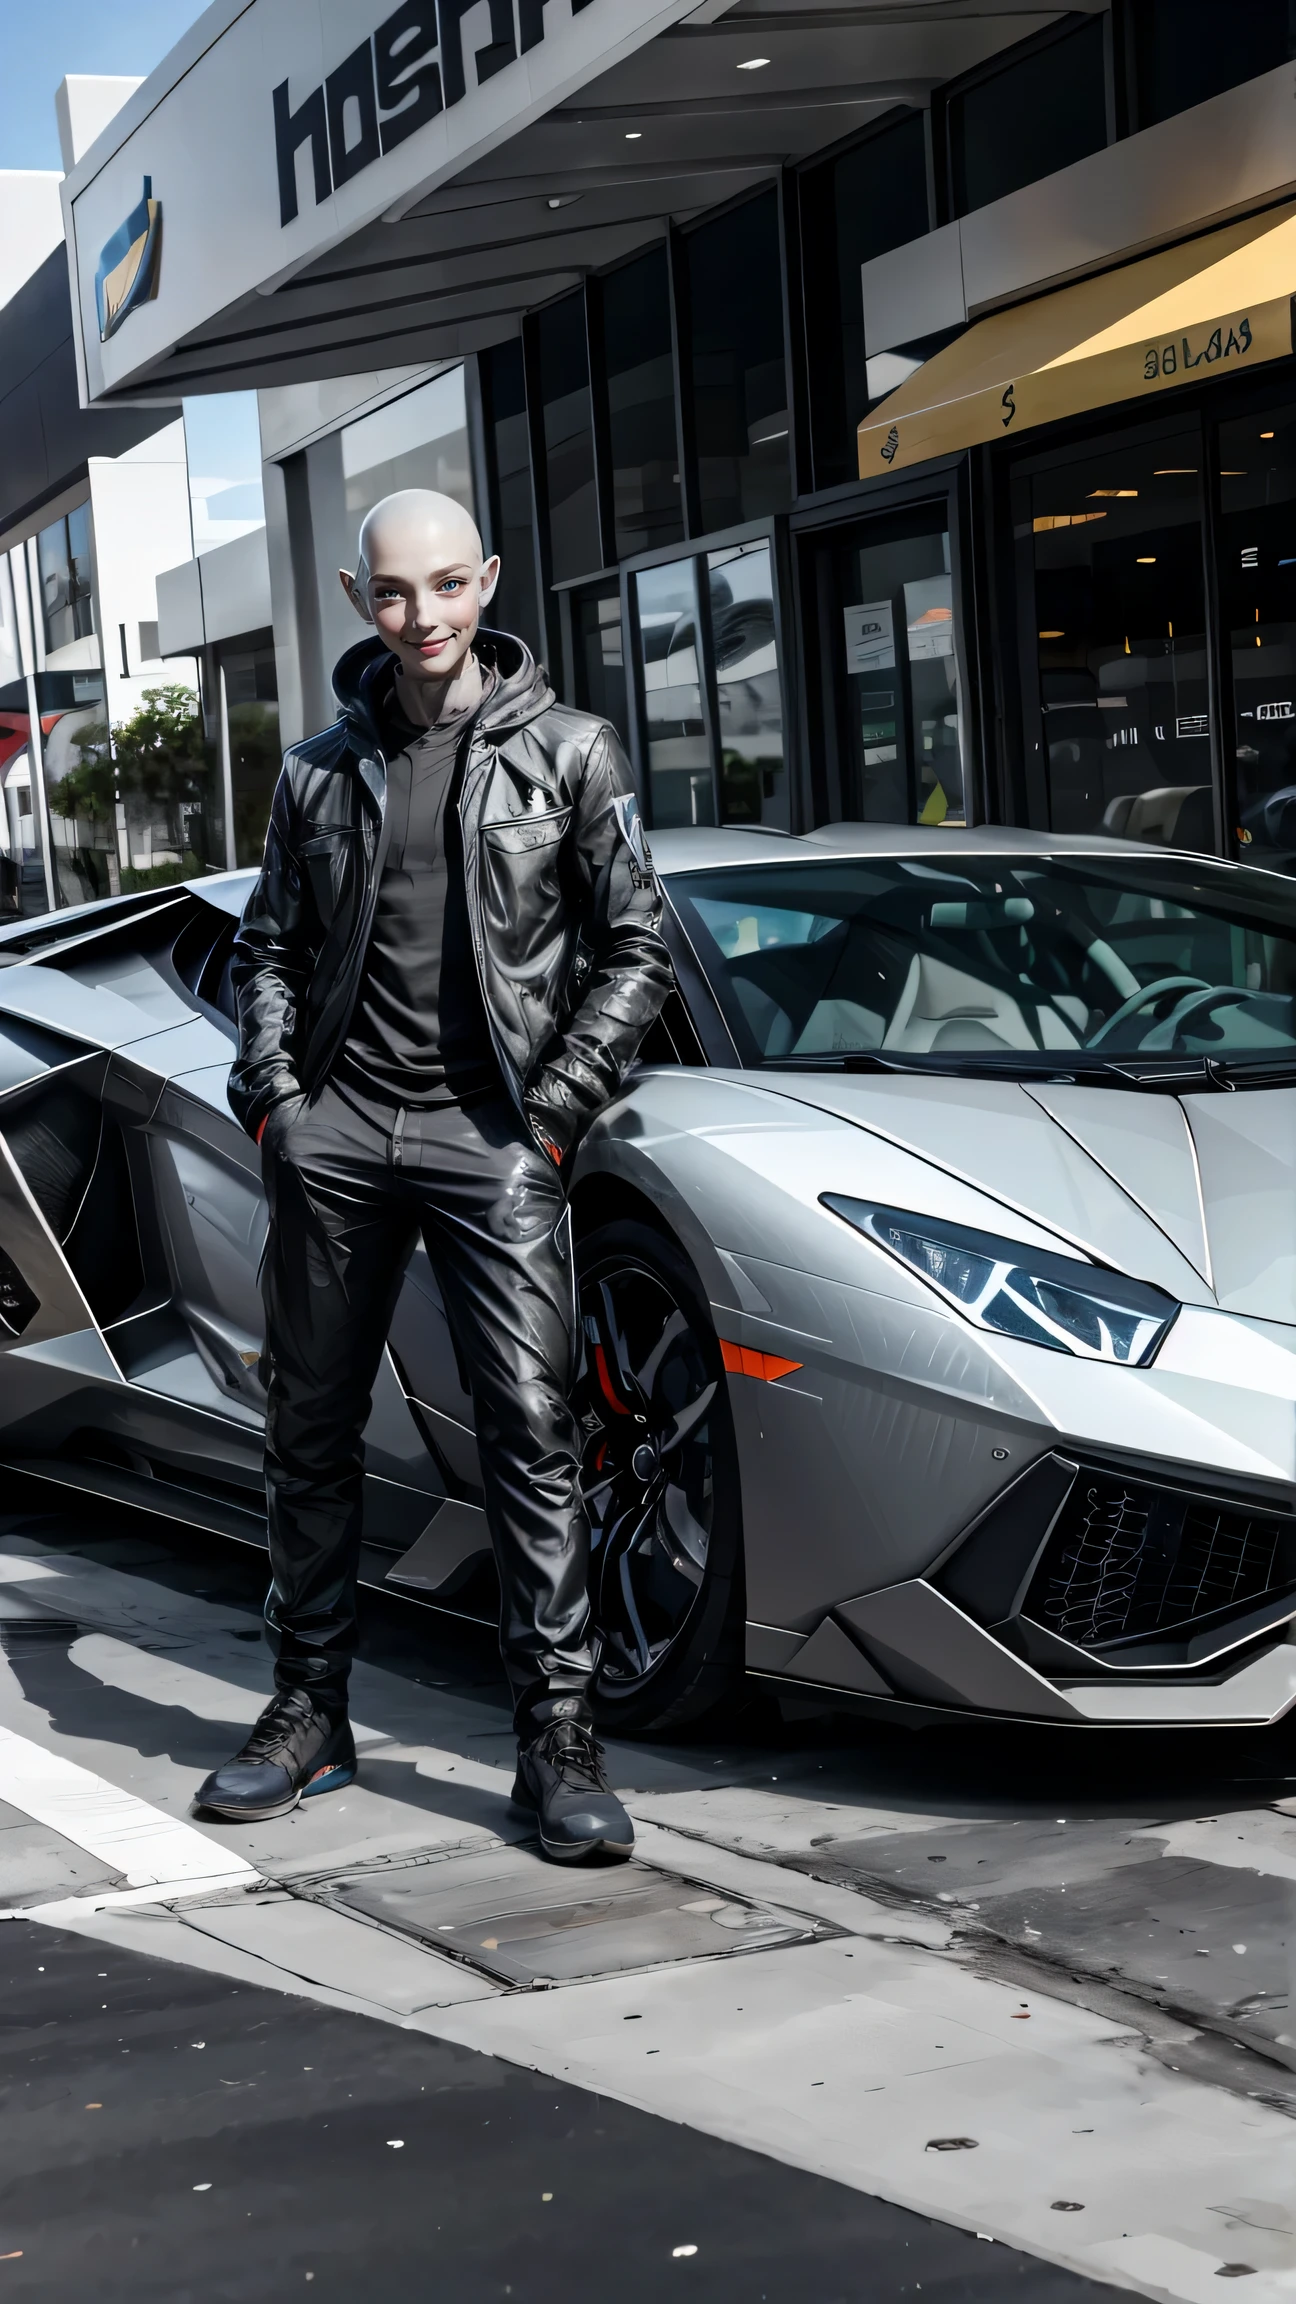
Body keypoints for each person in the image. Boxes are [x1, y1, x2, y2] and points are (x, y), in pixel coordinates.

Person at [196, 488, 671, 1861]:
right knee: (309, 1430)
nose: (426, 618)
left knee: (535, 1436)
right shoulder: (315, 771)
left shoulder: (571, 752)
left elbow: (635, 947)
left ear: (490, 583)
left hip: (495, 1139)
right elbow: (268, 948)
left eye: (450, 587)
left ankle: (558, 1743)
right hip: (339, 1137)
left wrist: (559, 1111)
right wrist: (278, 1098)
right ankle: (308, 1712)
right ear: (360, 599)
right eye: (398, 594)